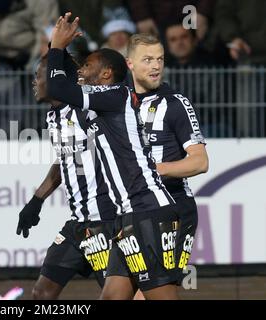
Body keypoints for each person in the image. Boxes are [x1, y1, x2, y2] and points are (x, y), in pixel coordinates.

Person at [47, 14, 179, 300]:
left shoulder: (116, 96)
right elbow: (62, 89)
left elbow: (59, 87)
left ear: (106, 74)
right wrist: (61, 50)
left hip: (148, 210)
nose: (81, 71)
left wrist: (56, 47)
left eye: (87, 66)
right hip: (127, 216)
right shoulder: (101, 104)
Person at [17, 44, 128, 299]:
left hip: (105, 222)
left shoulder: (86, 111)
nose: (34, 82)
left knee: (118, 296)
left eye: (39, 75)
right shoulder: (53, 116)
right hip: (77, 224)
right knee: (41, 294)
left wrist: (59, 47)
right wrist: (36, 200)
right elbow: (66, 158)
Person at [126, 33, 208, 287]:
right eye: (147, 59)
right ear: (130, 63)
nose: (155, 66)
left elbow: (199, 162)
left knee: (151, 294)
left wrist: (151, 170)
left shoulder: (175, 104)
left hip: (174, 211)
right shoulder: (119, 103)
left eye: (159, 59)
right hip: (132, 213)